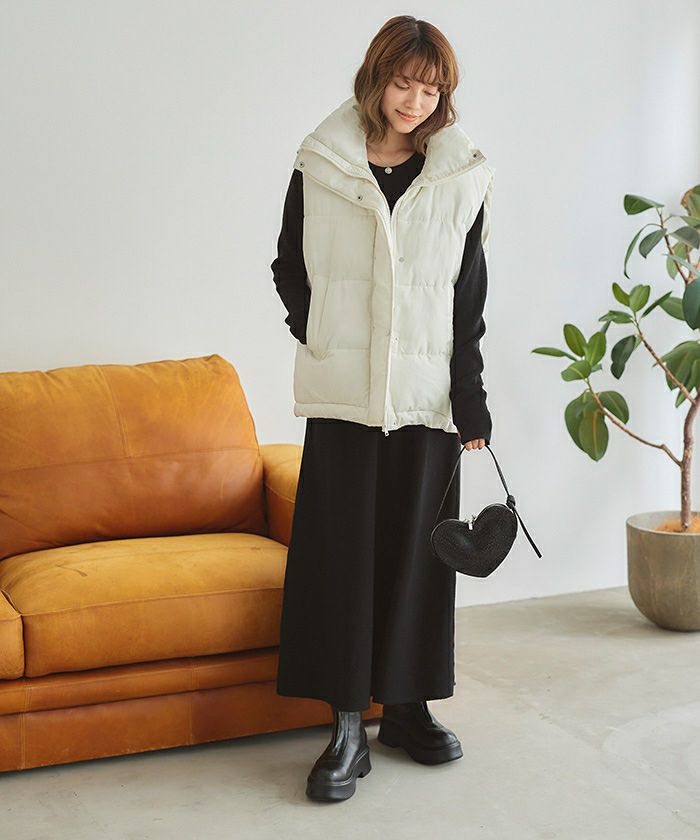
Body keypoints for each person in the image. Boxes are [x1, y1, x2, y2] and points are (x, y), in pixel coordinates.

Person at [270, 15, 495, 802]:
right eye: (404, 82)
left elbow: (467, 295)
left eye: (431, 89)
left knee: (419, 559)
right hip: (344, 398)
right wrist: (326, 336)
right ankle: (344, 725)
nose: (415, 101)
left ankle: (407, 708)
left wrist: (470, 397)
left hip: (428, 398)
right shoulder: (323, 162)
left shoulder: (462, 175)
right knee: (341, 559)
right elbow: (289, 266)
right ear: (376, 77)